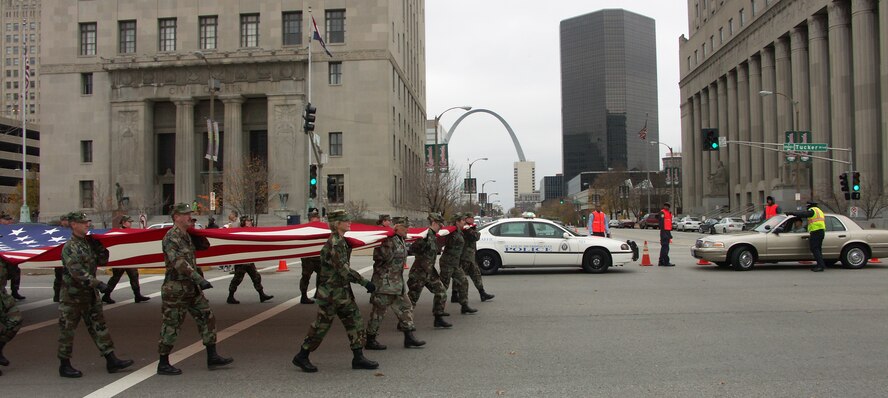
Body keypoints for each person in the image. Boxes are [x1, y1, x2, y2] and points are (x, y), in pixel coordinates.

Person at [292, 209, 379, 373]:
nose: (349, 223)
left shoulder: (342, 241)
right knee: (321, 326)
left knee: (355, 321)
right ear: (337, 224)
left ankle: (358, 357)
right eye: (346, 221)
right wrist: (365, 283)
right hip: (332, 294)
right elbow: (344, 270)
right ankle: (302, 355)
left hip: (342, 293)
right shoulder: (335, 243)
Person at [157, 203, 233, 376]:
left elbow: (205, 247)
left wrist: (199, 236)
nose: (189, 217)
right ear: (176, 217)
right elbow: (179, 263)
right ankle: (163, 362)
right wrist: (200, 279)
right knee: (172, 325)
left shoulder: (187, 235)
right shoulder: (171, 237)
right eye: (185, 215)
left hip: (191, 288)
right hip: (176, 288)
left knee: (207, 317)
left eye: (190, 214)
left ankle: (212, 356)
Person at [57, 212, 133, 378]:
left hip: (89, 295)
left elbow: (102, 261)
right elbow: (77, 272)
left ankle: (111, 359)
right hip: (72, 297)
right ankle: (64, 364)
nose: (87, 225)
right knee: (67, 330)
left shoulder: (87, 244)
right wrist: (99, 284)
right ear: (74, 225)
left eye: (87, 222)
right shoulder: (70, 247)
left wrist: (100, 248)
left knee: (99, 327)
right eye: (83, 222)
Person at [365, 217, 425, 350]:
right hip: (384, 284)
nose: (407, 230)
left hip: (397, 284)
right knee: (378, 313)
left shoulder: (400, 240)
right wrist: (387, 246)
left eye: (407, 228)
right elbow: (379, 257)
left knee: (406, 308)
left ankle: (409, 337)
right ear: (396, 227)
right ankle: (370, 339)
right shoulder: (388, 239)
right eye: (404, 228)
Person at [407, 213, 452, 328]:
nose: (441, 228)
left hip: (429, 272)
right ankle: (404, 323)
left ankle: (438, 318)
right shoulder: (425, 235)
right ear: (434, 223)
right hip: (419, 272)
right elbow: (412, 249)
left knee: (441, 292)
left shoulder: (433, 236)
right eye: (439, 225)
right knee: (412, 299)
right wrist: (421, 243)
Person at [102, 215, 150, 304]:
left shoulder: (130, 232)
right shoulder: (118, 233)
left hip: (129, 259)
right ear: (124, 222)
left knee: (134, 276)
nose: (130, 224)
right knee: (116, 278)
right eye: (129, 222)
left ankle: (137, 295)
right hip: (120, 259)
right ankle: (106, 295)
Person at [227, 217, 273, 304]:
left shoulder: (251, 231)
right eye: (248, 221)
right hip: (241, 260)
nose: (250, 222)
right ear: (243, 222)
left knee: (256, 277)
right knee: (237, 279)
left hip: (249, 259)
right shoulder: (240, 232)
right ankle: (230, 296)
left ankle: (261, 295)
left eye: (250, 221)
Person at [439, 213, 477, 314]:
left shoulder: (460, 232)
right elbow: (442, 240)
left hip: (455, 264)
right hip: (447, 263)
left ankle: (464, 305)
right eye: (462, 220)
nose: (464, 222)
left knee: (463, 281)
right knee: (442, 287)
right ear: (457, 222)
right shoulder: (451, 233)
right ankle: (439, 312)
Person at [458, 213, 494, 303]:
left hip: (471, 256)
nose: (473, 219)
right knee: (460, 277)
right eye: (471, 218)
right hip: (465, 257)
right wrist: (475, 231)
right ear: (466, 219)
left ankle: (482, 293)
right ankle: (455, 295)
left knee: (476, 274)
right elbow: (476, 236)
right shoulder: (466, 228)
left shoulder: (469, 227)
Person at [787, 201, 827, 272]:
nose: (807, 208)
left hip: (816, 232)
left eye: (807, 206)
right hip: (820, 231)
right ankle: (820, 265)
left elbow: (803, 214)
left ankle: (820, 266)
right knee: (818, 249)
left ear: (810, 206)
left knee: (814, 248)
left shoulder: (813, 210)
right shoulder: (819, 211)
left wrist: (792, 213)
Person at [1, 260, 23, 376]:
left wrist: (11, 263)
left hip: (3, 297)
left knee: (16, 320)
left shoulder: (3, 254)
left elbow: (11, 275)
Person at [299, 209, 322, 304]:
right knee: (306, 276)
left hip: (318, 257)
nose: (317, 219)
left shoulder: (321, 228)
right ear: (310, 219)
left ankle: (318, 293)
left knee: (322, 275)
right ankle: (303, 296)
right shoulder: (305, 229)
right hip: (308, 257)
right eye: (314, 218)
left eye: (318, 218)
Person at [53, 214, 71, 302]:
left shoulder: (72, 230)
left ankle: (66, 295)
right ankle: (56, 295)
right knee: (59, 278)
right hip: (59, 257)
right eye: (64, 220)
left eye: (67, 220)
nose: (65, 222)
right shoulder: (56, 231)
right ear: (61, 221)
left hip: (69, 257)